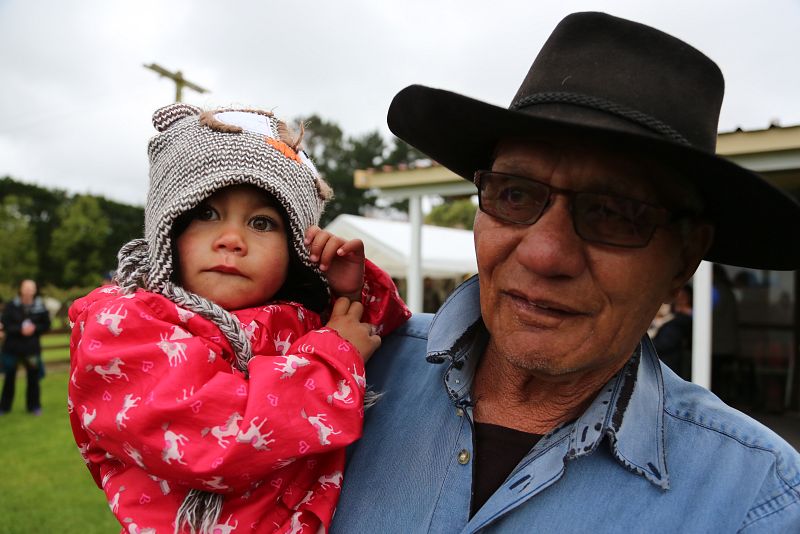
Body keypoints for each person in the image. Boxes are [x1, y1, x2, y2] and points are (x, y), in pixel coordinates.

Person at [331, 12, 800, 533]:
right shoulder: (334, 369)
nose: (544, 254)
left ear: (684, 258)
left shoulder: (756, 500)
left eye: (614, 212)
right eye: (514, 193)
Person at [67, 104, 410, 533]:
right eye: (205, 213)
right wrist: (333, 357)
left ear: (297, 251)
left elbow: (385, 333)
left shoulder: (301, 320)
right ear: (167, 230)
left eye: (262, 223)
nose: (231, 239)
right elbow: (217, 442)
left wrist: (345, 290)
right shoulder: (124, 326)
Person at [0, 279, 50, 415]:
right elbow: (5, 325)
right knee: (9, 378)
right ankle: (4, 407)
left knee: (33, 378)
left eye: (31, 288)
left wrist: (35, 328)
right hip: (12, 349)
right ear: (21, 289)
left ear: (35, 290)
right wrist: (19, 330)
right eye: (26, 287)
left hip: (31, 349)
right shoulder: (11, 306)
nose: (28, 290)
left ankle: (34, 406)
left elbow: (46, 325)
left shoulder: (40, 306)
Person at [652, 285, 693, 380]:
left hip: (670, 365)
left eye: (683, 297)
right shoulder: (670, 319)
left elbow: (664, 343)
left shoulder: (678, 322)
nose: (679, 299)